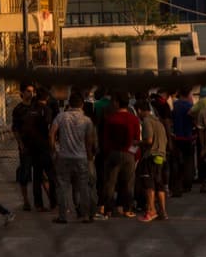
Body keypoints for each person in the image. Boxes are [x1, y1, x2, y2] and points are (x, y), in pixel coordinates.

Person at [50, 91, 95, 224]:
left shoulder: (61, 117)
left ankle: (62, 216)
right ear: (82, 105)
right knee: (83, 186)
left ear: (69, 103)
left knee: (62, 186)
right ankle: (85, 215)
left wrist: (54, 150)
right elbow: (89, 141)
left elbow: (51, 134)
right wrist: (90, 158)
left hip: (64, 156)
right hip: (81, 157)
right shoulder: (87, 120)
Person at [96, 93, 140, 219]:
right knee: (128, 183)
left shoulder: (111, 119)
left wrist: (107, 153)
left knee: (110, 182)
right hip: (129, 153)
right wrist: (134, 154)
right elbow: (136, 140)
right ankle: (127, 209)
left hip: (113, 153)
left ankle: (108, 210)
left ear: (117, 103)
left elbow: (106, 140)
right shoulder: (134, 119)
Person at [137, 99, 169, 222]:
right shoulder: (158, 122)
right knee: (159, 184)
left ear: (139, 110)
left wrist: (137, 143)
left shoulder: (146, 121)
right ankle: (163, 212)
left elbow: (149, 140)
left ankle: (151, 211)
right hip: (161, 156)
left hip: (151, 156)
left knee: (148, 184)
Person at [171, 89, 196, 197]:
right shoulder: (190, 106)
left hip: (177, 137)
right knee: (188, 161)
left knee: (177, 162)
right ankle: (187, 184)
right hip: (188, 137)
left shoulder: (175, 105)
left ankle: (177, 185)